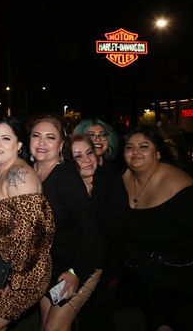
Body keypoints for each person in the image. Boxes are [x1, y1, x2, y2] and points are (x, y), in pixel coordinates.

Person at [121, 127, 193, 330]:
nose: (135, 152)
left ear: (158, 153)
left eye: (143, 146)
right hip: (139, 277)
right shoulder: (123, 180)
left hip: (178, 278)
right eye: (129, 147)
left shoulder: (179, 185)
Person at [0, 117, 55, 331]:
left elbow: (33, 235)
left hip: (23, 273)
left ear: (19, 145)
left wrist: (12, 280)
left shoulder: (20, 175)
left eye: (6, 139)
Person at [30, 115, 100, 331]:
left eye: (50, 137)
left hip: (78, 263)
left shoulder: (66, 177)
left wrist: (75, 272)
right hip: (48, 266)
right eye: (36, 136)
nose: (42, 143)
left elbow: (91, 228)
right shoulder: (27, 175)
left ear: (61, 146)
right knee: (45, 325)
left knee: (55, 328)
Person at [65, 134, 128, 331]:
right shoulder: (65, 182)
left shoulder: (109, 179)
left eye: (89, 152)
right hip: (72, 263)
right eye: (77, 156)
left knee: (99, 316)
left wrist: (89, 199)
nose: (86, 159)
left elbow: (117, 227)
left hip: (104, 263)